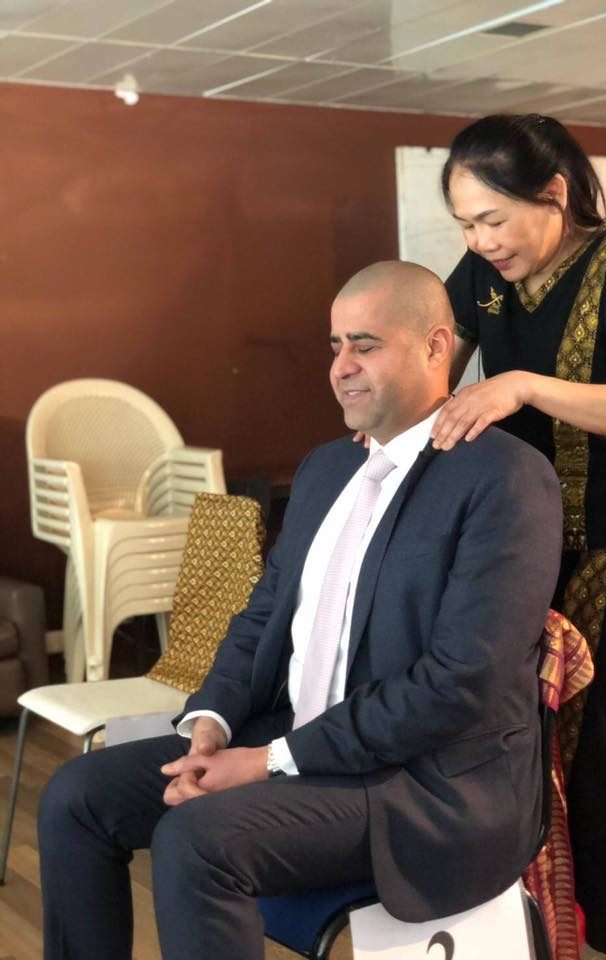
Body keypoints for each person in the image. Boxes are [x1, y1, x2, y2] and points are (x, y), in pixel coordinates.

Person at [38, 260, 563, 960]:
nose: (341, 367)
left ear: (437, 347)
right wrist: (210, 723)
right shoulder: (326, 469)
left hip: (425, 785)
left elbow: (458, 685)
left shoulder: (506, 477)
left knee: (197, 840)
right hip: (303, 740)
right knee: (75, 797)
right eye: (335, 346)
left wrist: (270, 761)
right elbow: (262, 617)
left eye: (365, 346)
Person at [435, 113, 606, 960]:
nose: (481, 242)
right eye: (465, 226)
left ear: (552, 194)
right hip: (531, 547)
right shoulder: (484, 276)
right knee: (545, 760)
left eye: (493, 219)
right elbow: (434, 359)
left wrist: (520, 385)